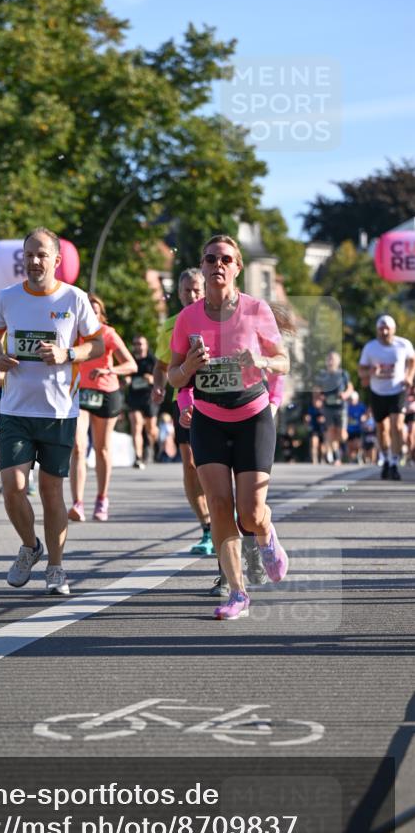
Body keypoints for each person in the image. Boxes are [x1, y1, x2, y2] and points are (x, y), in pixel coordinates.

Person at [168, 234, 290, 621]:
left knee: (250, 513)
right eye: (210, 258)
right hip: (208, 419)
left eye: (225, 259)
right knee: (219, 506)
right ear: (202, 268)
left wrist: (262, 360)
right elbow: (173, 376)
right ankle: (238, 592)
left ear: (237, 268)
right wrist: (188, 368)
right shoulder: (187, 318)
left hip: (252, 417)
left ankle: (266, 534)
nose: (217, 264)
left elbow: (283, 360)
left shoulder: (256, 311)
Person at [0, 227, 104, 596]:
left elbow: (97, 344)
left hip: (58, 412)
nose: (34, 261)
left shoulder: (74, 298)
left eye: (42, 255)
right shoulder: (7, 297)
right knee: (12, 487)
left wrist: (69, 354)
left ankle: (55, 567)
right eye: (29, 255)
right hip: (16, 408)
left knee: (52, 492)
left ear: (56, 260)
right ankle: (29, 546)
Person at [152, 268, 214, 556]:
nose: (192, 295)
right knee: (190, 464)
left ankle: (225, 514)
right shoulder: (170, 326)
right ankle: (207, 526)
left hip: (215, 396)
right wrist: (159, 387)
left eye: (197, 290)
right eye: (187, 290)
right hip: (184, 398)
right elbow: (162, 365)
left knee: (213, 465)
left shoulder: (217, 318)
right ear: (178, 294)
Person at [67, 293, 136, 522]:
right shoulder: (73, 334)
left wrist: (110, 370)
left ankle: (102, 498)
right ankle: (77, 503)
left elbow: (130, 364)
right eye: (88, 310)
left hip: (106, 393)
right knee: (77, 445)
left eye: (95, 311)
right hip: (80, 393)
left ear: (100, 314)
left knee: (102, 449)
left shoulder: (108, 334)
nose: (91, 315)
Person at [358, 314, 415, 480]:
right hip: (378, 392)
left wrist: (409, 376)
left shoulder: (403, 344)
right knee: (382, 428)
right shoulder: (370, 348)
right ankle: (386, 458)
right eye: (381, 329)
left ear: (393, 330)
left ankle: (395, 463)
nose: (384, 332)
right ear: (377, 330)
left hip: (397, 390)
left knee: (397, 426)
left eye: (387, 328)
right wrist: (370, 372)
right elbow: (361, 372)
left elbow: (412, 361)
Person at [315, 350, 353, 465]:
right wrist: (319, 398)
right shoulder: (322, 375)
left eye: (333, 359)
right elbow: (317, 389)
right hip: (328, 407)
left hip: (341, 407)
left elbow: (350, 388)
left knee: (341, 434)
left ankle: (344, 447)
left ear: (338, 361)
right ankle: (337, 457)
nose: (331, 361)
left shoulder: (343, 374)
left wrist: (345, 395)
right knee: (331, 432)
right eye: (329, 359)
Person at [126, 335, 158, 468]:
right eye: (135, 344)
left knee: (151, 429)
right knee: (136, 424)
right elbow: (125, 373)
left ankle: (151, 445)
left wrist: (151, 379)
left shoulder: (152, 360)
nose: (138, 346)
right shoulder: (130, 359)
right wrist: (126, 380)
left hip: (149, 397)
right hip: (134, 397)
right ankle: (138, 457)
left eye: (140, 344)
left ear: (146, 345)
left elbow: (163, 376)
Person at [304, 393, 327, 465]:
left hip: (323, 429)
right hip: (314, 428)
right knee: (314, 443)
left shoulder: (325, 409)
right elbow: (306, 417)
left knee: (322, 446)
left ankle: (323, 458)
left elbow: (328, 419)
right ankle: (314, 459)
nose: (316, 402)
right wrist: (307, 419)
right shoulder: (310, 408)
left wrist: (324, 419)